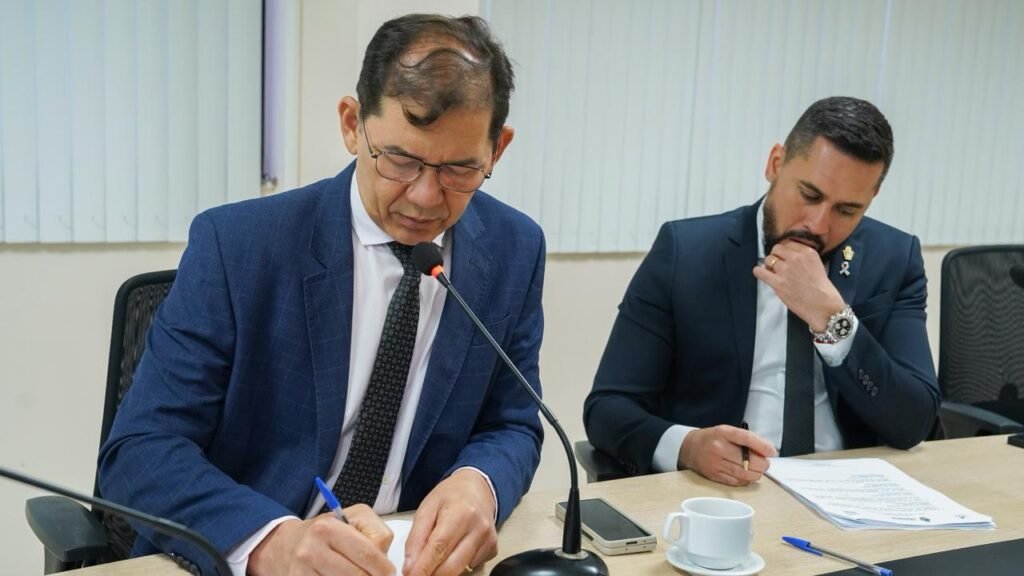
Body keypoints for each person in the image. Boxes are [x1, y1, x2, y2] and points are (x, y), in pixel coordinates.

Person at [99, 14, 545, 576]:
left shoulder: (514, 249)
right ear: (353, 125)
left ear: (497, 150)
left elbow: (512, 423)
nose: (426, 197)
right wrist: (269, 542)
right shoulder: (239, 246)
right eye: (401, 161)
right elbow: (139, 450)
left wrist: (479, 483)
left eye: (460, 169)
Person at [584, 96, 939, 488]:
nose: (818, 225)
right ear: (775, 164)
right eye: (809, 195)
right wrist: (688, 447)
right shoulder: (686, 252)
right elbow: (607, 409)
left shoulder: (894, 259)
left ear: (871, 199)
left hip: (846, 488)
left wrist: (832, 319)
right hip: (723, 492)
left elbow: (914, 422)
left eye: (846, 210)